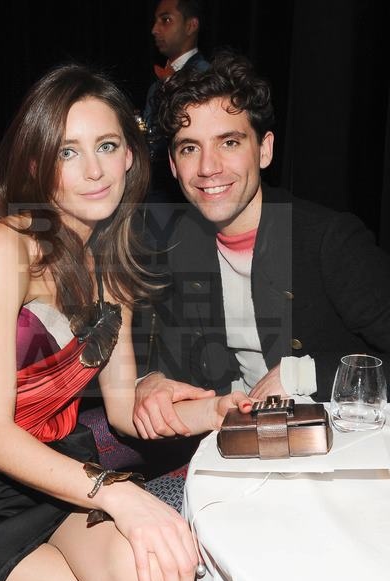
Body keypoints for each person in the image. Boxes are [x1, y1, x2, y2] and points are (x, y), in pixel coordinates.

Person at [0, 61, 251, 581]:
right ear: (37, 164)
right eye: (68, 152)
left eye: (107, 146)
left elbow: (122, 412)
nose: (94, 171)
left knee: (151, 578)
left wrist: (217, 410)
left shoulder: (112, 264)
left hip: (58, 481)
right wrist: (119, 493)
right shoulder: (3, 248)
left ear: (132, 156)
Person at [133, 49, 390, 441]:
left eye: (229, 142)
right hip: (238, 447)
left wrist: (302, 374)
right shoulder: (177, 248)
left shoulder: (328, 240)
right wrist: (150, 380)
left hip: (340, 446)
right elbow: (170, 360)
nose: (207, 167)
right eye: (189, 147)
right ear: (172, 164)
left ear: (264, 149)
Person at [143, 0, 209, 206]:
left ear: (191, 25)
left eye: (166, 20)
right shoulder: (157, 83)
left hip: (183, 203)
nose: (155, 30)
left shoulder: (207, 78)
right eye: (155, 22)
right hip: (153, 197)